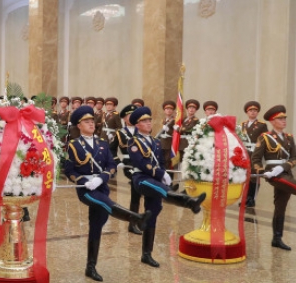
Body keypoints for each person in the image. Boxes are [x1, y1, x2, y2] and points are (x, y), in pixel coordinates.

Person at [66, 106, 151, 281]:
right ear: (79, 125)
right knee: (104, 204)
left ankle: (91, 267)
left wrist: (101, 178)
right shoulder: (73, 145)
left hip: (101, 186)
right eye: (86, 122)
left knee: (96, 226)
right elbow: (69, 170)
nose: (91, 124)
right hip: (87, 190)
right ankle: (136, 218)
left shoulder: (103, 144)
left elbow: (111, 166)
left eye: (92, 121)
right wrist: (84, 182)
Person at [127, 107, 206, 267]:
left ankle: (146, 254)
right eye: (144, 121)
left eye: (149, 120)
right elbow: (140, 163)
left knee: (152, 214)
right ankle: (189, 201)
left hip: (155, 178)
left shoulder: (156, 142)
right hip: (141, 179)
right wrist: (160, 174)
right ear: (137, 125)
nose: (148, 123)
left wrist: (164, 173)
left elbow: (161, 162)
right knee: (162, 190)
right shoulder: (134, 142)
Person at [252, 105, 296, 250]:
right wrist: (262, 171)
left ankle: (276, 238)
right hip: (273, 174)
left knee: (280, 207)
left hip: (285, 172)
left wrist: (284, 167)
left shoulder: (289, 138)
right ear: (273, 121)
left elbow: (295, 158)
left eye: (284, 118)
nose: (284, 120)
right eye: (280, 118)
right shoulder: (265, 137)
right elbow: (255, 159)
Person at [111, 104, 143, 234]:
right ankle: (132, 223)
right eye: (130, 116)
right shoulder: (120, 133)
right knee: (136, 192)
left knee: (141, 192)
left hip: (142, 163)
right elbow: (111, 149)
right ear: (124, 118)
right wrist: (117, 161)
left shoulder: (141, 131)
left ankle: (138, 220)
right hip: (128, 165)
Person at [241, 101, 268, 208]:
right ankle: (246, 198)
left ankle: (252, 198)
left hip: (255, 153)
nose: (253, 112)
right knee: (246, 176)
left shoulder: (262, 125)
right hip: (245, 153)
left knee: (254, 176)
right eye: (250, 110)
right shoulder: (243, 124)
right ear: (247, 112)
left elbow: (265, 139)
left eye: (255, 111)